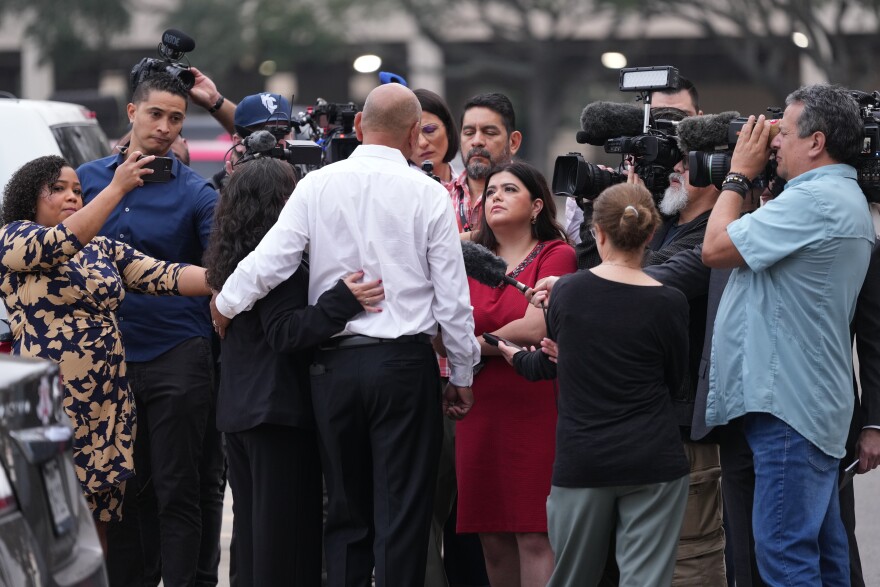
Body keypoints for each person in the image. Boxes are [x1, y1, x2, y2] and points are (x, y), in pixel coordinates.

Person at [211, 83, 481, 587]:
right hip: (403, 367)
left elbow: (272, 260)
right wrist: (461, 373)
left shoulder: (318, 185)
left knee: (346, 515)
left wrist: (225, 302)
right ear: (413, 134)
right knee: (401, 518)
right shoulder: (429, 193)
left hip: (332, 368)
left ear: (359, 127)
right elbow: (453, 298)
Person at [701, 83, 873, 584]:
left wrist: (736, 175)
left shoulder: (815, 200)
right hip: (804, 401)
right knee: (821, 551)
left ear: (816, 142)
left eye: (783, 133)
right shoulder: (834, 196)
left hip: (788, 407)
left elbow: (714, 248)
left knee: (783, 554)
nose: (771, 142)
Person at [0, 154, 212, 554]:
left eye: (78, 191)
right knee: (56, 527)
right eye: (58, 189)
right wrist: (117, 187)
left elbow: (164, 274)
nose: (71, 197)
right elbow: (59, 243)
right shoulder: (14, 238)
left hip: (107, 409)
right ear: (30, 197)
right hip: (54, 411)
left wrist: (231, 279)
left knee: (98, 527)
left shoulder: (101, 248)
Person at [202, 157, 381, 586]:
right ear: (281, 202)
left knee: (254, 538)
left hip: (243, 413)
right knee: (285, 544)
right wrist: (342, 301)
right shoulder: (276, 266)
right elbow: (284, 332)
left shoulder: (232, 261)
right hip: (278, 415)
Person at [501, 182, 690, 586]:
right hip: (654, 458)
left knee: (573, 579)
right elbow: (676, 382)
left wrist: (514, 356)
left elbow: (555, 358)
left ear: (598, 233)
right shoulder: (671, 300)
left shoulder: (567, 292)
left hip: (584, 457)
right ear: (650, 235)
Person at [76, 72, 220, 587]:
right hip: (102, 359)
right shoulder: (86, 180)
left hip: (177, 351)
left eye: (176, 118)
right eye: (155, 114)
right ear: (133, 113)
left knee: (177, 489)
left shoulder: (199, 194)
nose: (164, 126)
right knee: (122, 491)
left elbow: (221, 273)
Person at [451, 161, 575, 587]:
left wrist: (470, 346)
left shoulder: (555, 254)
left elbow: (535, 326)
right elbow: (441, 326)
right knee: (491, 537)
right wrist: (487, 345)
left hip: (533, 401)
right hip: (478, 404)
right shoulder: (469, 261)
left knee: (534, 532)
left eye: (509, 190)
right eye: (489, 193)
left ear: (537, 204)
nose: (495, 197)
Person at [449, 93, 522, 235]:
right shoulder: (439, 197)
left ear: (513, 142)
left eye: (489, 132)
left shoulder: (528, 199)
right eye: (469, 132)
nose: (477, 141)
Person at [412, 89, 462, 186]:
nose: (422, 143)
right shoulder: (399, 189)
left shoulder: (471, 188)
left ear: (448, 129)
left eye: (430, 130)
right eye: (413, 136)